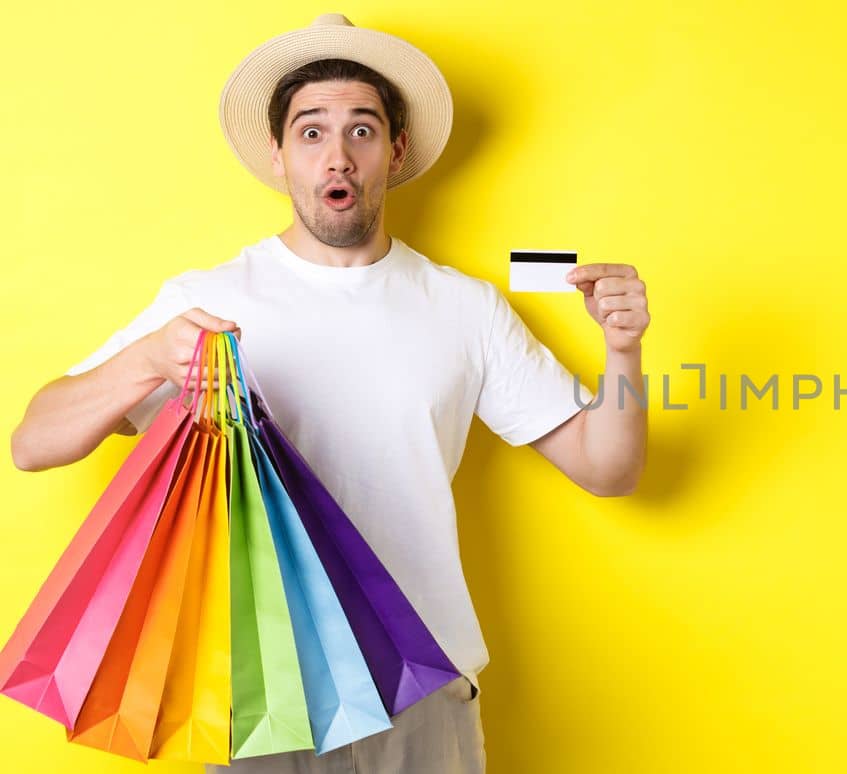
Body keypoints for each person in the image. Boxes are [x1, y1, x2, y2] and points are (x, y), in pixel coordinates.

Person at [7, 13, 650, 773]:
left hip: (423, 698)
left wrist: (623, 352)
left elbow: (609, 470)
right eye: (310, 133)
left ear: (395, 151)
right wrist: (147, 359)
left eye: (362, 130)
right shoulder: (205, 298)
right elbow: (31, 443)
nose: (336, 155)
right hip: (261, 699)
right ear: (278, 155)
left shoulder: (464, 308)